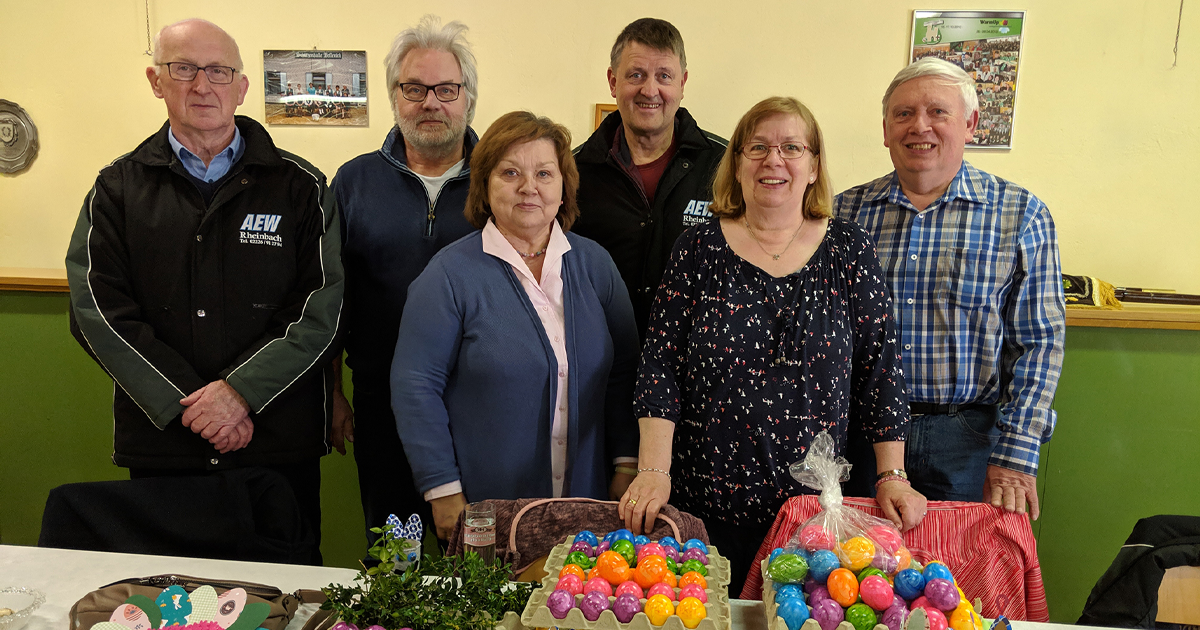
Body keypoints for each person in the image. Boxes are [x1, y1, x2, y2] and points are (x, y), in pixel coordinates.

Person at [620, 97, 926, 596]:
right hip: (705, 508)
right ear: (736, 164)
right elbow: (660, 368)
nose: (773, 160)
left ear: (813, 166)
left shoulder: (849, 250)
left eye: (791, 147)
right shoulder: (696, 249)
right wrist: (653, 470)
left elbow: (881, 371)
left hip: (814, 516)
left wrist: (893, 473)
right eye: (757, 147)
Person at [64, 18, 343, 564]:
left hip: (275, 443)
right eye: (183, 69)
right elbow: (96, 310)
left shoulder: (302, 186)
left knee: (286, 598)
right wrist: (189, 404)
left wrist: (239, 394)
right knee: (167, 601)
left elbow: (320, 309)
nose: (201, 85)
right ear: (156, 80)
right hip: (166, 444)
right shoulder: (117, 189)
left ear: (241, 87)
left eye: (218, 71)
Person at [391, 111, 640, 541]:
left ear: (564, 187)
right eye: (510, 173)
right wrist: (442, 490)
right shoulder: (448, 275)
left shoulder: (595, 265)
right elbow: (416, 385)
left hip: (589, 505)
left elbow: (625, 372)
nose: (529, 187)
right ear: (485, 185)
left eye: (545, 173)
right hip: (485, 512)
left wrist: (625, 463)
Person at [836, 57, 1064, 519]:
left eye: (938, 112)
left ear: (971, 124)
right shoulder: (843, 214)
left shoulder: (1020, 215)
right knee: (853, 579)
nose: (919, 126)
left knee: (958, 583)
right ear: (885, 129)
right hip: (860, 440)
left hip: (967, 443)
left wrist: (1016, 454)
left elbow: (1040, 343)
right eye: (903, 114)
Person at [330, 15, 479, 548]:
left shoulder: (503, 179)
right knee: (395, 564)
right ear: (395, 96)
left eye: (445, 89)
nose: (430, 103)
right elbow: (330, 296)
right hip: (382, 407)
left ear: (467, 99)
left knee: (479, 568)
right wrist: (333, 392)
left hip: (481, 408)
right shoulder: (353, 182)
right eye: (414, 88)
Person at [572, 18, 726, 339]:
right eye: (636, 75)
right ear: (613, 82)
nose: (650, 90)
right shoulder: (571, 171)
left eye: (664, 76)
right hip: (599, 367)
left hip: (694, 370)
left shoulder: (727, 166)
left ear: (682, 83)